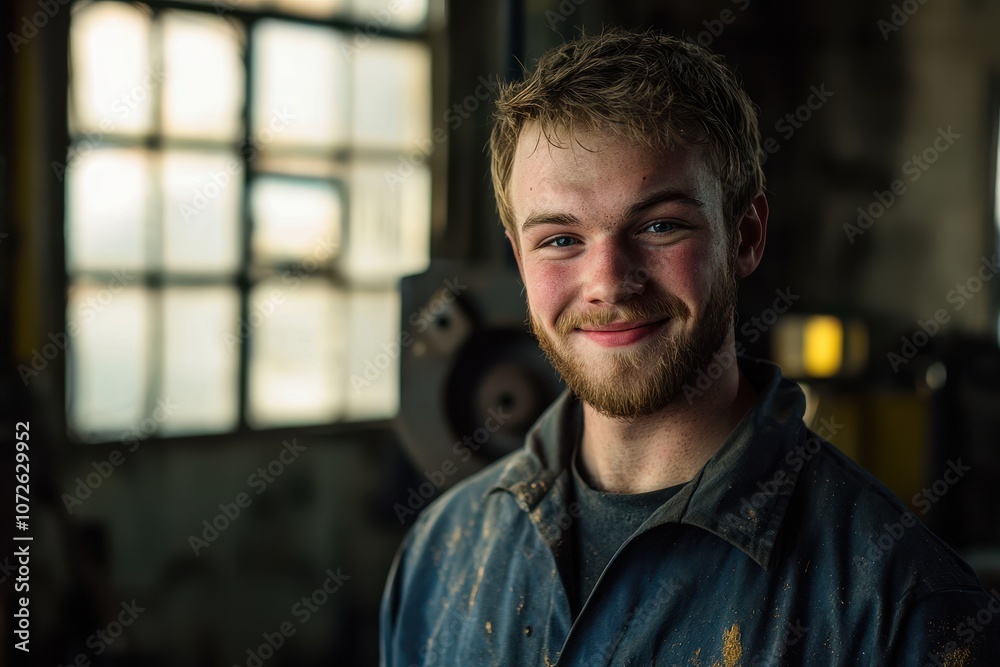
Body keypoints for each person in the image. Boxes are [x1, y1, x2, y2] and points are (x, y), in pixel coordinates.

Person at [379, 29, 1000, 666]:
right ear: (519, 259)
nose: (609, 283)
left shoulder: (902, 606)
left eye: (659, 226)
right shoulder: (443, 555)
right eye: (561, 239)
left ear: (747, 235)